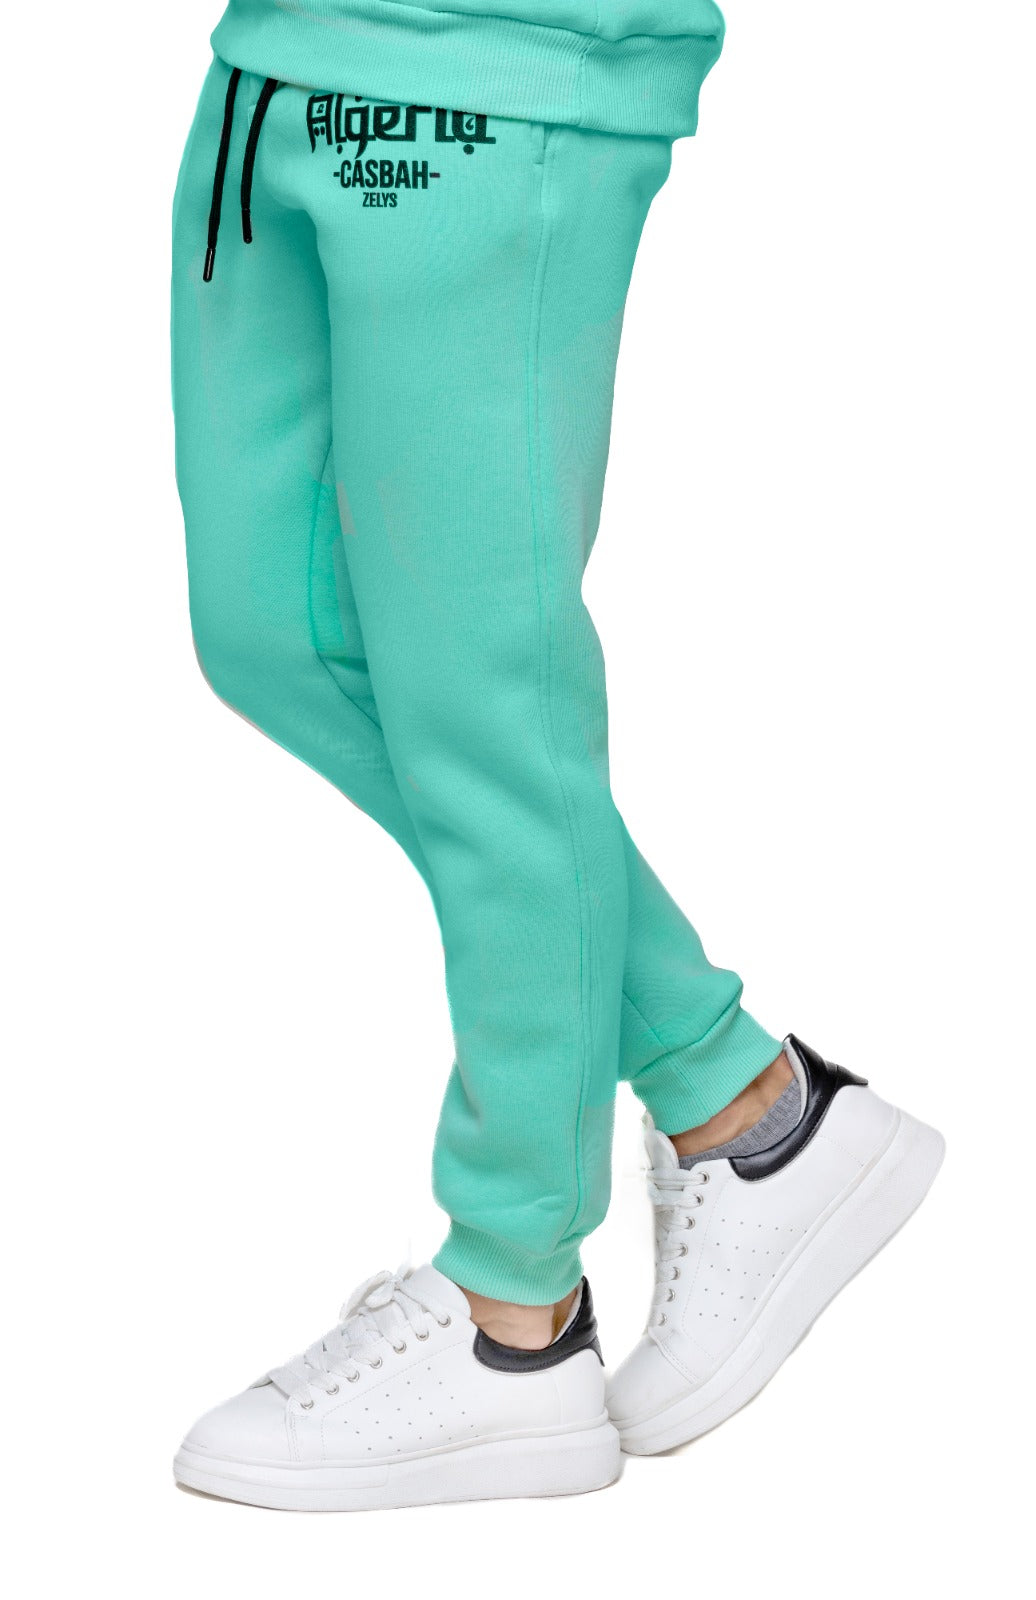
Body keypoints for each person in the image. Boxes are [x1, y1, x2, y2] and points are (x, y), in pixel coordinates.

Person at [171, 1, 943, 1512]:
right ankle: (748, 1111)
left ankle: (511, 1311)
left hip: (491, 72)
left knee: (484, 687)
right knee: (275, 632)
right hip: (273, 61)